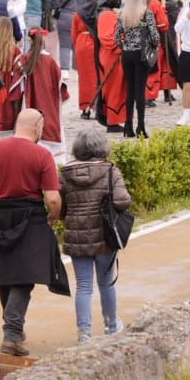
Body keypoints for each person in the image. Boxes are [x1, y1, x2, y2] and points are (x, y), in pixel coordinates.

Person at [0, 108, 65, 356]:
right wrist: (53, 218)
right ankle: (11, 333)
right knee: (24, 276)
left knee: (6, 273)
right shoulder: (42, 154)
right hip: (28, 216)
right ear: (38, 126)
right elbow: (53, 198)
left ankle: (15, 332)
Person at [58, 128, 131, 343]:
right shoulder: (110, 171)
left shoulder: (64, 173)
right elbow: (122, 200)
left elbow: (61, 205)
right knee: (106, 282)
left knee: (83, 285)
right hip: (104, 234)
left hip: (76, 235)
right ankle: (111, 325)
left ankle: (84, 332)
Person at [115, 0, 160, 139]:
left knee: (130, 90)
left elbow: (117, 38)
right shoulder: (146, 14)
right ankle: (140, 126)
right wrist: (153, 46)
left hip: (127, 55)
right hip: (141, 54)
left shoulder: (122, 14)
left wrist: (126, 46)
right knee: (140, 91)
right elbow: (155, 36)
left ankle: (128, 125)